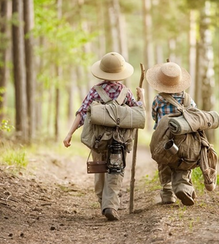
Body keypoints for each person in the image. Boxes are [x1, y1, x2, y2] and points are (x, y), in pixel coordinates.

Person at [63, 52, 145, 221]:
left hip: (98, 140)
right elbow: (138, 113)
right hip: (119, 140)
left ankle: (103, 201)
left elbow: (82, 113)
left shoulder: (95, 91)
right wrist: (141, 98)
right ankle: (110, 205)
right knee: (116, 171)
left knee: (99, 170)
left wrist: (69, 133)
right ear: (120, 73)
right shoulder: (126, 93)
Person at [146, 62, 197, 206]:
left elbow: (155, 118)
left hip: (165, 138)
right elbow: (194, 115)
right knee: (183, 162)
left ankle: (167, 191)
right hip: (184, 138)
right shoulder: (188, 99)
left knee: (164, 162)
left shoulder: (158, 100)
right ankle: (182, 187)